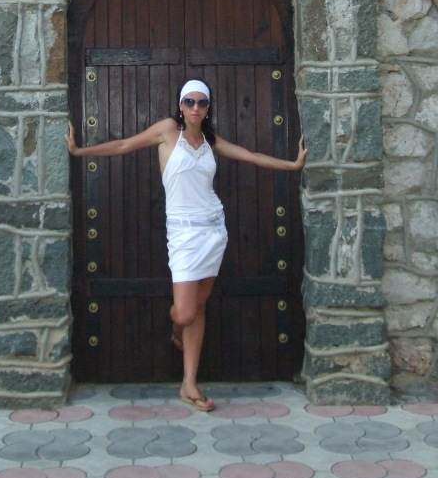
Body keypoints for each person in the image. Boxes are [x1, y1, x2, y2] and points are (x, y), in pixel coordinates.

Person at [65, 79, 307, 412]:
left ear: (208, 108)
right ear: (180, 105)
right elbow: (123, 145)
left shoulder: (209, 140)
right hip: (182, 234)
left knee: (199, 305)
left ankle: (189, 383)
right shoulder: (168, 131)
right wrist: (79, 151)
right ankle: (177, 327)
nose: (195, 108)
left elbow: (250, 156)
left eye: (202, 102)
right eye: (189, 102)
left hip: (213, 231)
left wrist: (292, 165)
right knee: (185, 311)